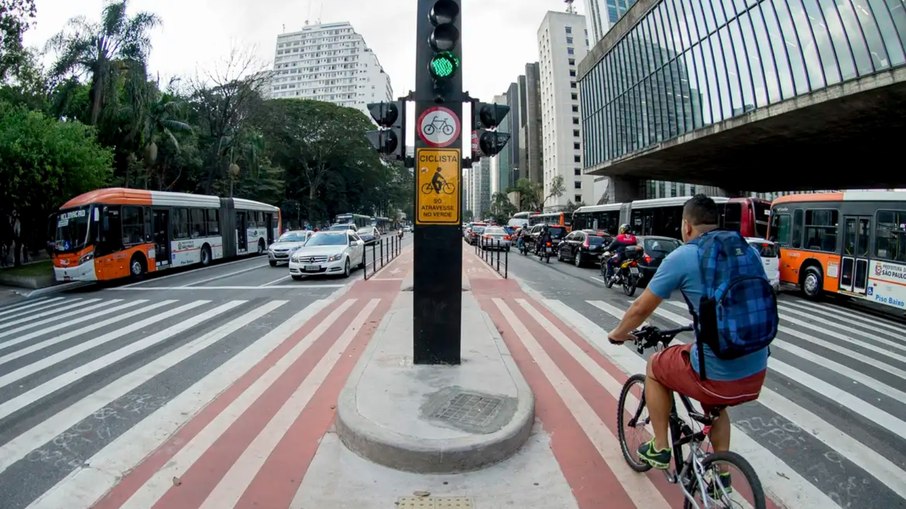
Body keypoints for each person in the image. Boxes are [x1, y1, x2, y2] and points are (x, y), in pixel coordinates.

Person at [606, 194, 770, 476]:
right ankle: (721, 474)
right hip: (756, 371)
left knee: (655, 366)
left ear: (687, 226)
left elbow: (640, 308)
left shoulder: (684, 255)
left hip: (718, 375)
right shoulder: (747, 252)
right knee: (715, 406)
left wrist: (618, 334)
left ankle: (659, 447)